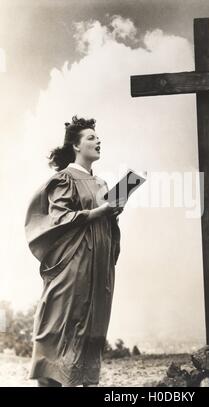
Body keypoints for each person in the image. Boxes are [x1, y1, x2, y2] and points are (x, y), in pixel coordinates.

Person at [24, 115, 125, 387]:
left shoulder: (102, 184)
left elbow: (105, 225)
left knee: (92, 326)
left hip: (97, 269)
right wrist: (99, 211)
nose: (98, 140)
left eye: (97, 137)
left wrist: (112, 213)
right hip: (72, 269)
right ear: (76, 146)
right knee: (59, 324)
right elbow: (59, 218)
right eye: (91, 137)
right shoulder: (64, 179)